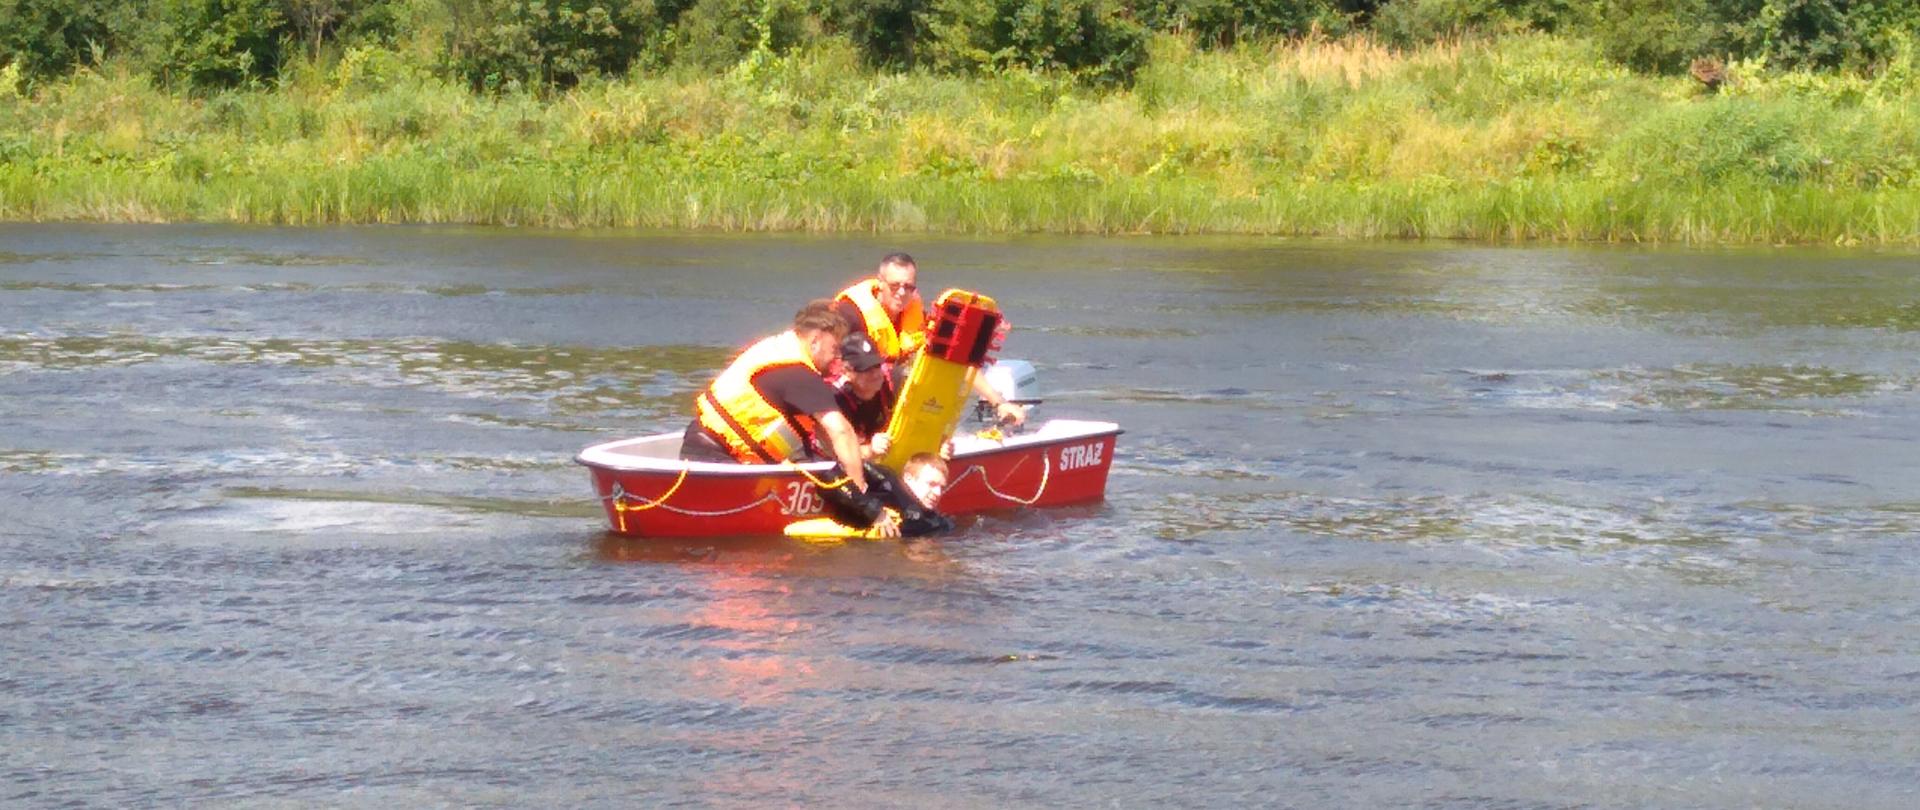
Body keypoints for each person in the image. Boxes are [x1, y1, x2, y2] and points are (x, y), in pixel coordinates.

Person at [680, 300, 888, 523]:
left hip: (705, 443)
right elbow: (841, 431)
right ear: (815, 340)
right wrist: (860, 498)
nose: (836, 358)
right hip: (714, 457)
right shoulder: (797, 372)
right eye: (834, 349)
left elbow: (823, 437)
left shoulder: (778, 349)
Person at [834, 252, 1028, 427]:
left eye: (908, 287)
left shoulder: (917, 316)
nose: (901, 293)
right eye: (894, 286)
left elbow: (955, 360)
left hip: (891, 398)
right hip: (852, 398)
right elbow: (833, 371)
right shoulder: (851, 315)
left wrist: (999, 402)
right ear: (880, 283)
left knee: (931, 367)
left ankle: (927, 434)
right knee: (895, 374)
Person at [824, 453, 954, 538]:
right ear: (908, 478)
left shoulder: (934, 520)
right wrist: (875, 512)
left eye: (941, 487)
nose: (938, 493)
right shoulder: (888, 483)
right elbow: (830, 472)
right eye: (931, 484)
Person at [832, 333, 898, 460]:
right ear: (846, 371)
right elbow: (836, 453)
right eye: (866, 369)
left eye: (877, 366)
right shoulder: (835, 402)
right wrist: (871, 450)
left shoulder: (894, 381)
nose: (875, 374)